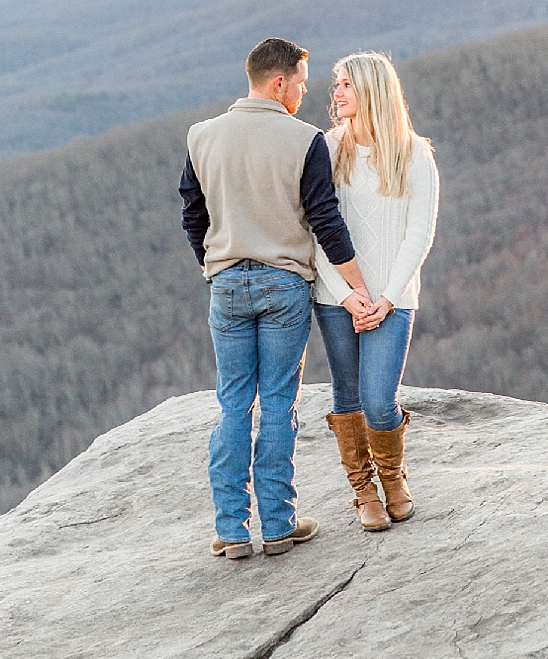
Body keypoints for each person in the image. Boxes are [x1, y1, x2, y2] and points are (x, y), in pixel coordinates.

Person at [179, 37, 377, 559]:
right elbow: (326, 223)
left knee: (232, 404)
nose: (305, 95)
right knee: (278, 404)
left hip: (226, 284)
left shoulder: (201, 136)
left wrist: (215, 264)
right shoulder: (304, 140)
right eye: (303, 85)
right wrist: (360, 288)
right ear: (279, 83)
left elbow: (192, 215)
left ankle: (231, 529)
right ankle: (279, 523)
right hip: (284, 285)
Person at [311, 51, 439, 532]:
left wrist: (385, 297)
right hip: (335, 298)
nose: (336, 93)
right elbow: (315, 230)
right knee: (348, 396)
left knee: (379, 400)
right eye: (336, 84)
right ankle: (363, 491)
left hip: (394, 297)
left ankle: (392, 478)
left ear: (371, 91)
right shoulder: (327, 147)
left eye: (345, 84)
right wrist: (347, 295)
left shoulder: (413, 153)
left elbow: (419, 234)